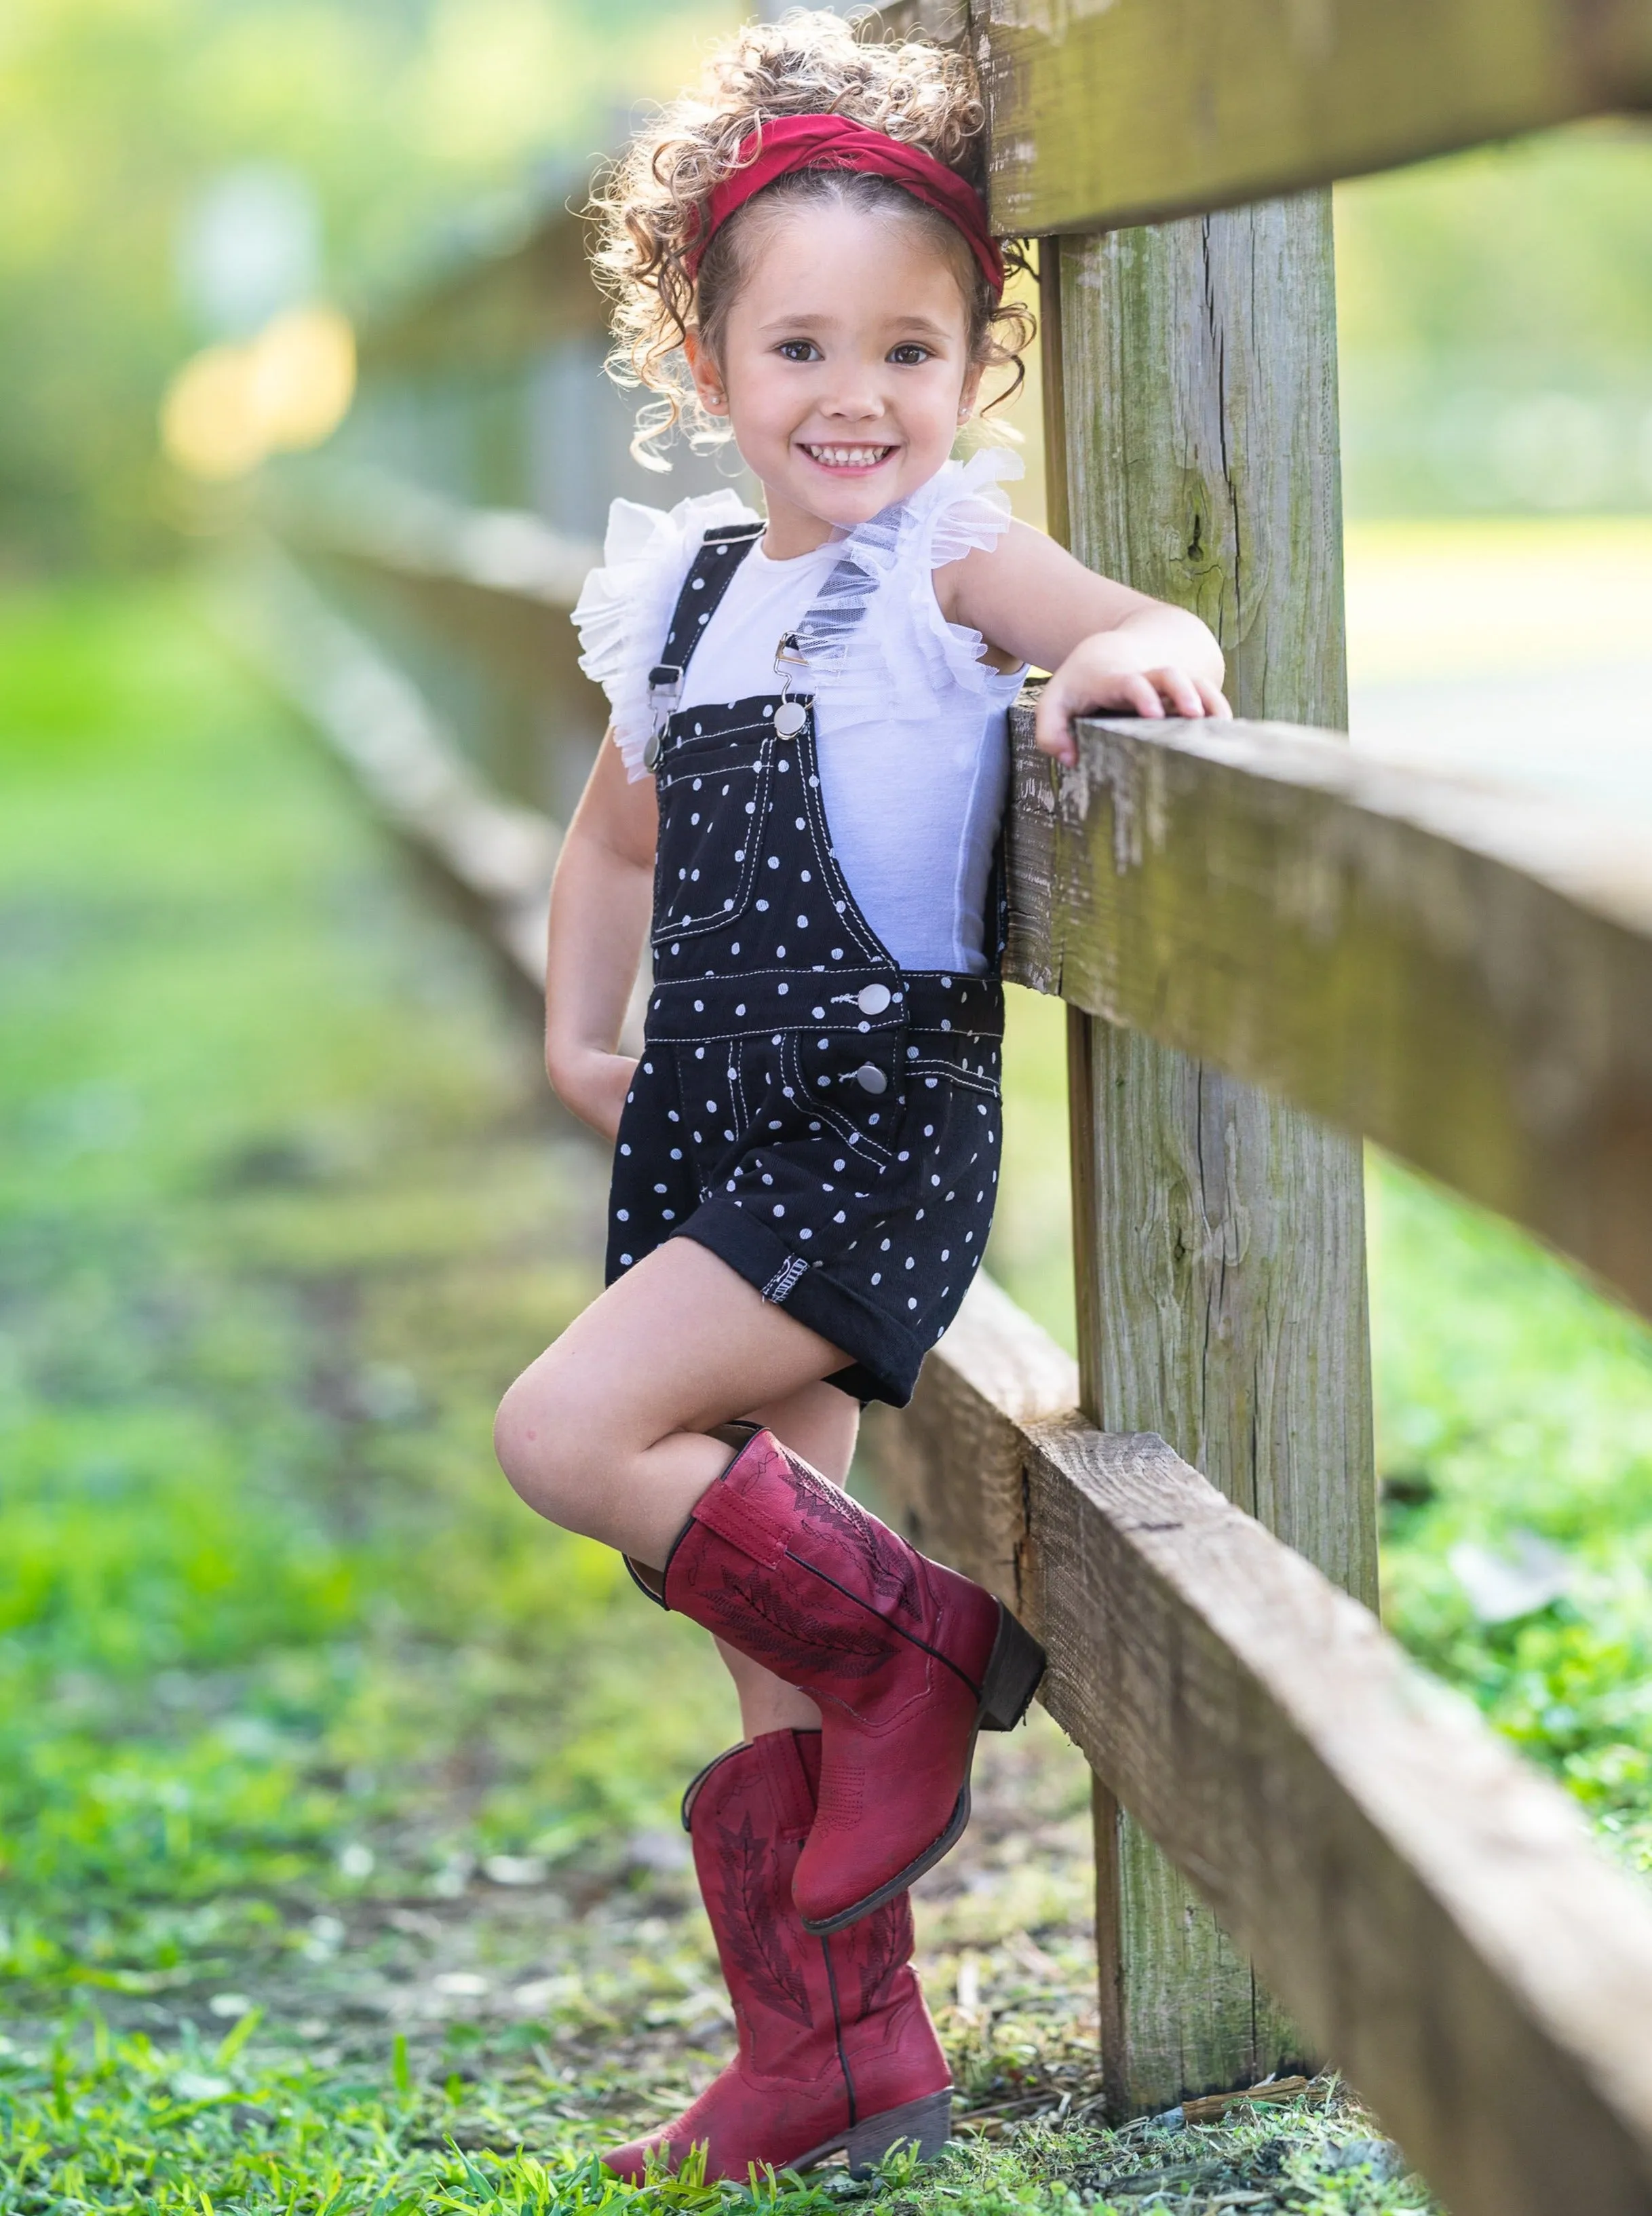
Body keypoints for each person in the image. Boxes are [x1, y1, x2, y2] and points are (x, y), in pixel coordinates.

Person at [493, 9, 1230, 2183]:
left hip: (862, 1126)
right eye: (802, 346)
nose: (855, 397)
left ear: (972, 369)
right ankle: (835, 2050)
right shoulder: (688, 600)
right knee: (756, 1626)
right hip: (706, 1128)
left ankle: (930, 1652)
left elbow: (1119, 612)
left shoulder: (938, 571)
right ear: (705, 358)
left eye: (910, 351)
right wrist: (573, 1026)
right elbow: (614, 844)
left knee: (570, 1431)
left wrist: (1108, 654)